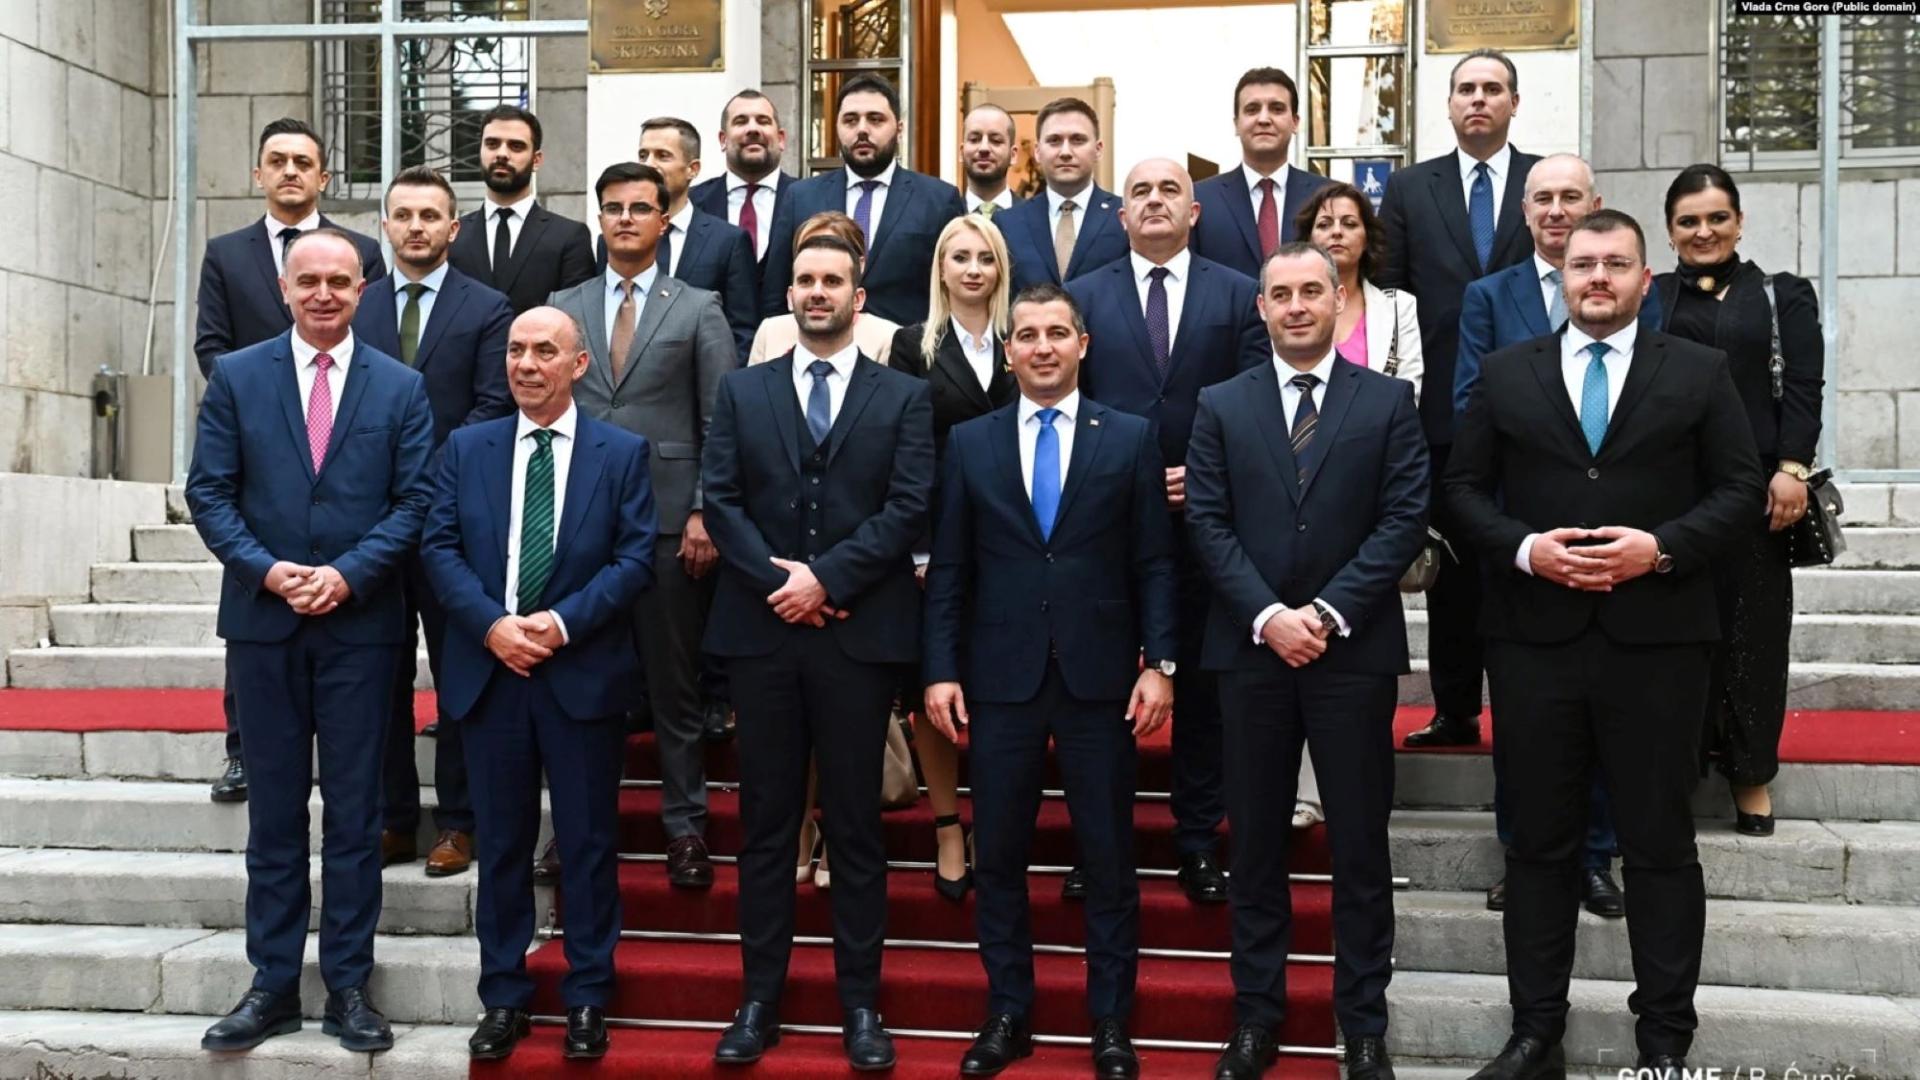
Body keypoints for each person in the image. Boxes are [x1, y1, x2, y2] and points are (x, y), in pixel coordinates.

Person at [1447, 210, 1764, 1080]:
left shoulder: (1697, 370)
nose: (1597, 277)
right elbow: (1462, 489)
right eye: (1584, 264)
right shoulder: (1507, 372)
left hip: (1658, 642)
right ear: (1561, 275)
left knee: (1659, 846)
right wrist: (1525, 549)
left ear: (1643, 277)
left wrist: (1659, 549)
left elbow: (1740, 488)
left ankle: (1663, 1041)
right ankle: (1533, 1034)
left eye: (1615, 264)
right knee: (1538, 847)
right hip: (1534, 642)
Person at [187, 228, 434, 1055]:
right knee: (275, 815)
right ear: (285, 290)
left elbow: (414, 501)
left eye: (340, 280)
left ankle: (350, 987)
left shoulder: (401, 387)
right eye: (309, 281)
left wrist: (348, 574)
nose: (324, 293)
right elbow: (209, 492)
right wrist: (268, 571)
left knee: (357, 816)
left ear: (364, 290)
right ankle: (271, 986)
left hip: (361, 629)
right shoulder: (237, 376)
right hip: (265, 627)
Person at [1186, 243, 1430, 1080]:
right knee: (1255, 846)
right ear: (1261, 308)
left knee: (1359, 847)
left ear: (1337, 301)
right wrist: (1268, 617)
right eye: (1280, 294)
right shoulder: (1221, 403)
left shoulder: (1388, 401)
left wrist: (1324, 614)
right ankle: (1257, 1018)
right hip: (1250, 654)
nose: (1295, 306)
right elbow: (1207, 522)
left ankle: (1362, 1026)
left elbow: (1403, 518)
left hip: (1351, 653)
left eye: (1310, 292)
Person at [924, 284, 1177, 1080]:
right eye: (1027, 335)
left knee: (1108, 856)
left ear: (1082, 345)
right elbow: (951, 568)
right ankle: (1008, 1012)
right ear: (1009, 353)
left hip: (1102, 679)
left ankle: (1111, 1021)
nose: (1042, 347)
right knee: (999, 855)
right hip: (1000, 679)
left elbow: (1155, 562)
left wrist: (1161, 664)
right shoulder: (970, 442)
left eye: (1056, 333)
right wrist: (940, 669)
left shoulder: (1130, 437)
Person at [702, 234, 934, 1071]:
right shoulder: (743, 389)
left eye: (833, 280)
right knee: (767, 827)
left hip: (857, 637)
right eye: (804, 279)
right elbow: (720, 500)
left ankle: (861, 1005)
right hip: (762, 634)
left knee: (856, 826)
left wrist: (828, 579)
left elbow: (909, 504)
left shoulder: (903, 396)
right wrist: (785, 583)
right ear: (789, 295)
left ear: (858, 298)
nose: (817, 291)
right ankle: (758, 1000)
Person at [420, 306, 659, 1063]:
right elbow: (439, 546)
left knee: (586, 844)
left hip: (579, 674)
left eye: (544, 351)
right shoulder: (467, 448)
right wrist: (492, 625)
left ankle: (588, 996)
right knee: (501, 845)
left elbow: (634, 559)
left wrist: (558, 624)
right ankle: (503, 996)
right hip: (492, 674)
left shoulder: (621, 453)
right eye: (516, 350)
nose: (526, 364)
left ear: (578, 365)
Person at [1451, 154, 1654, 915]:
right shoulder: (1488, 296)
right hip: (1521, 537)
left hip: (1617, 536)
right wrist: (1519, 535)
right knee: (1525, 722)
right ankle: (1525, 855)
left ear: (1594, 202)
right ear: (1525, 211)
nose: (1557, 209)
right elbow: (1471, 402)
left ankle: (1595, 856)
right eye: (1543, 198)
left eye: (1571, 196)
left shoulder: (1629, 290)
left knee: (1602, 714)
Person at [1069, 157, 1267, 906]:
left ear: (1195, 212)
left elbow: (1255, 400)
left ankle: (1197, 842)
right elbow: (1068, 399)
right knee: (1102, 694)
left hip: (1205, 527)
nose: (1154, 201)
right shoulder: (1084, 296)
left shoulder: (1239, 293)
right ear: (1121, 215)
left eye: (1169, 190)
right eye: (1140, 192)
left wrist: (1206, 474)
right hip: (1105, 528)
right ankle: (1098, 846)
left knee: (1201, 694)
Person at [548, 162, 737, 891]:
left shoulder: (698, 306)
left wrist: (703, 510)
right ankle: (573, 830)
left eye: (639, 208)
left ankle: (685, 828)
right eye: (613, 208)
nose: (625, 219)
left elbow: (720, 421)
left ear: (664, 220)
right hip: (578, 520)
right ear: (599, 219)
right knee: (580, 686)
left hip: (668, 521)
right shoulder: (563, 305)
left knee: (673, 686)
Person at [193, 117, 387, 806]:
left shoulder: (363, 251)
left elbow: (374, 346)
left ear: (323, 176)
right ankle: (243, 751)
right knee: (254, 609)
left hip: (342, 444)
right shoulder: (226, 253)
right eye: (276, 160)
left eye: (303, 161)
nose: (290, 171)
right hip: (258, 446)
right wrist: (259, 405)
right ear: (258, 174)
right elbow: (211, 345)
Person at [1377, 48, 1542, 753]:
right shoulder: (1411, 188)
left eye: (1492, 88)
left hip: (1535, 411)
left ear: (1513, 103)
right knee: (1450, 566)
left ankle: (1527, 705)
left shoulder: (1544, 182)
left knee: (1523, 560)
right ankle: (1454, 708)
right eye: (1466, 88)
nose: (1479, 99)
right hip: (1440, 409)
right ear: (1448, 104)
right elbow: (1389, 292)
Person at [352, 166, 515, 878]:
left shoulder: (488, 308)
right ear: (384, 226)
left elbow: (492, 406)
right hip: (370, 527)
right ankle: (392, 819)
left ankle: (458, 822)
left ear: (455, 227)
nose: (415, 226)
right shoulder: (356, 307)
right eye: (403, 215)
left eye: (430, 215)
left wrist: (425, 477)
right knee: (377, 676)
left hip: (454, 524)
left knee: (460, 678)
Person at [1653, 164, 1824, 838]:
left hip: (1759, 496)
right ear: (1670, 230)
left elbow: (1803, 386)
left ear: (1740, 221)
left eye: (1717, 217)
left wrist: (1793, 468)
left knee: (1756, 636)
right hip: (1671, 496)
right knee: (1676, 638)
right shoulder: (1652, 297)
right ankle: (1680, 769)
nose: (1704, 231)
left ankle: (1751, 774)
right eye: (1689, 221)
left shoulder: (1782, 295)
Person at [887, 215, 1020, 901]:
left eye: (985, 258)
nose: (973, 269)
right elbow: (903, 451)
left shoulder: (1022, 338)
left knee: (1000, 687)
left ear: (1001, 269)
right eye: (960, 257)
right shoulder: (913, 345)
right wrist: (917, 547)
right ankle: (946, 824)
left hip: (1014, 539)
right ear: (940, 268)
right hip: (935, 541)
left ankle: (993, 822)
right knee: (928, 688)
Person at [1286, 182, 1425, 831]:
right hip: (1292, 493)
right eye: (1324, 223)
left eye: (1349, 221)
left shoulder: (1398, 306)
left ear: (1368, 235)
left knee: (1351, 648)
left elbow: (1410, 388)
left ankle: (1348, 792)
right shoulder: (1289, 305)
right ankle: (1302, 789)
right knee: (1295, 639)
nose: (1337, 232)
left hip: (1367, 494)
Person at [759, 74, 966, 326]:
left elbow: (954, 294)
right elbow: (775, 293)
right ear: (836, 127)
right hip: (818, 344)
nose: (862, 130)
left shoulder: (939, 200)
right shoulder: (801, 197)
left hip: (907, 346)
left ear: (899, 129)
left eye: (875, 119)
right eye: (850, 120)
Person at [590, 116, 758, 362]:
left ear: (693, 169)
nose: (649, 165)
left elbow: (741, 332)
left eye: (663, 156)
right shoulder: (612, 240)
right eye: (643, 155)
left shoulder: (727, 242)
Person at [448, 104, 597, 315]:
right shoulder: (452, 235)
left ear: (536, 160)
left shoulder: (569, 237)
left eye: (516, 146)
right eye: (492, 144)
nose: (502, 154)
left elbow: (577, 319)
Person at [1192, 67, 1332, 278]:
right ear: (1236, 124)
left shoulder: (1327, 196)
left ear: (1295, 122)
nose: (1264, 119)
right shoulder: (1200, 199)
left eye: (1277, 109)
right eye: (1252, 109)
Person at [996, 97, 1127, 294]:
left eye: (1078, 140)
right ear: (1038, 151)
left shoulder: (1125, 217)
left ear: (1098, 150)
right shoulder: (1008, 223)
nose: (1065, 152)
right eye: (1054, 141)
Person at [749, 211, 902, 366]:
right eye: (809, 248)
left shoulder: (888, 337)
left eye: (833, 247)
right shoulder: (770, 332)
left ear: (859, 264)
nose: (817, 292)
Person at [690, 88, 797, 267]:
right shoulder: (692, 204)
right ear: (723, 140)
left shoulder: (808, 200)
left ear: (781, 139)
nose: (753, 129)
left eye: (763, 121)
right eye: (741, 121)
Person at [961, 104, 1020, 216]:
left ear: (1013, 155)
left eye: (996, 140)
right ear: (961, 152)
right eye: (974, 139)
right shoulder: (944, 217)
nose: (984, 148)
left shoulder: (1034, 217)